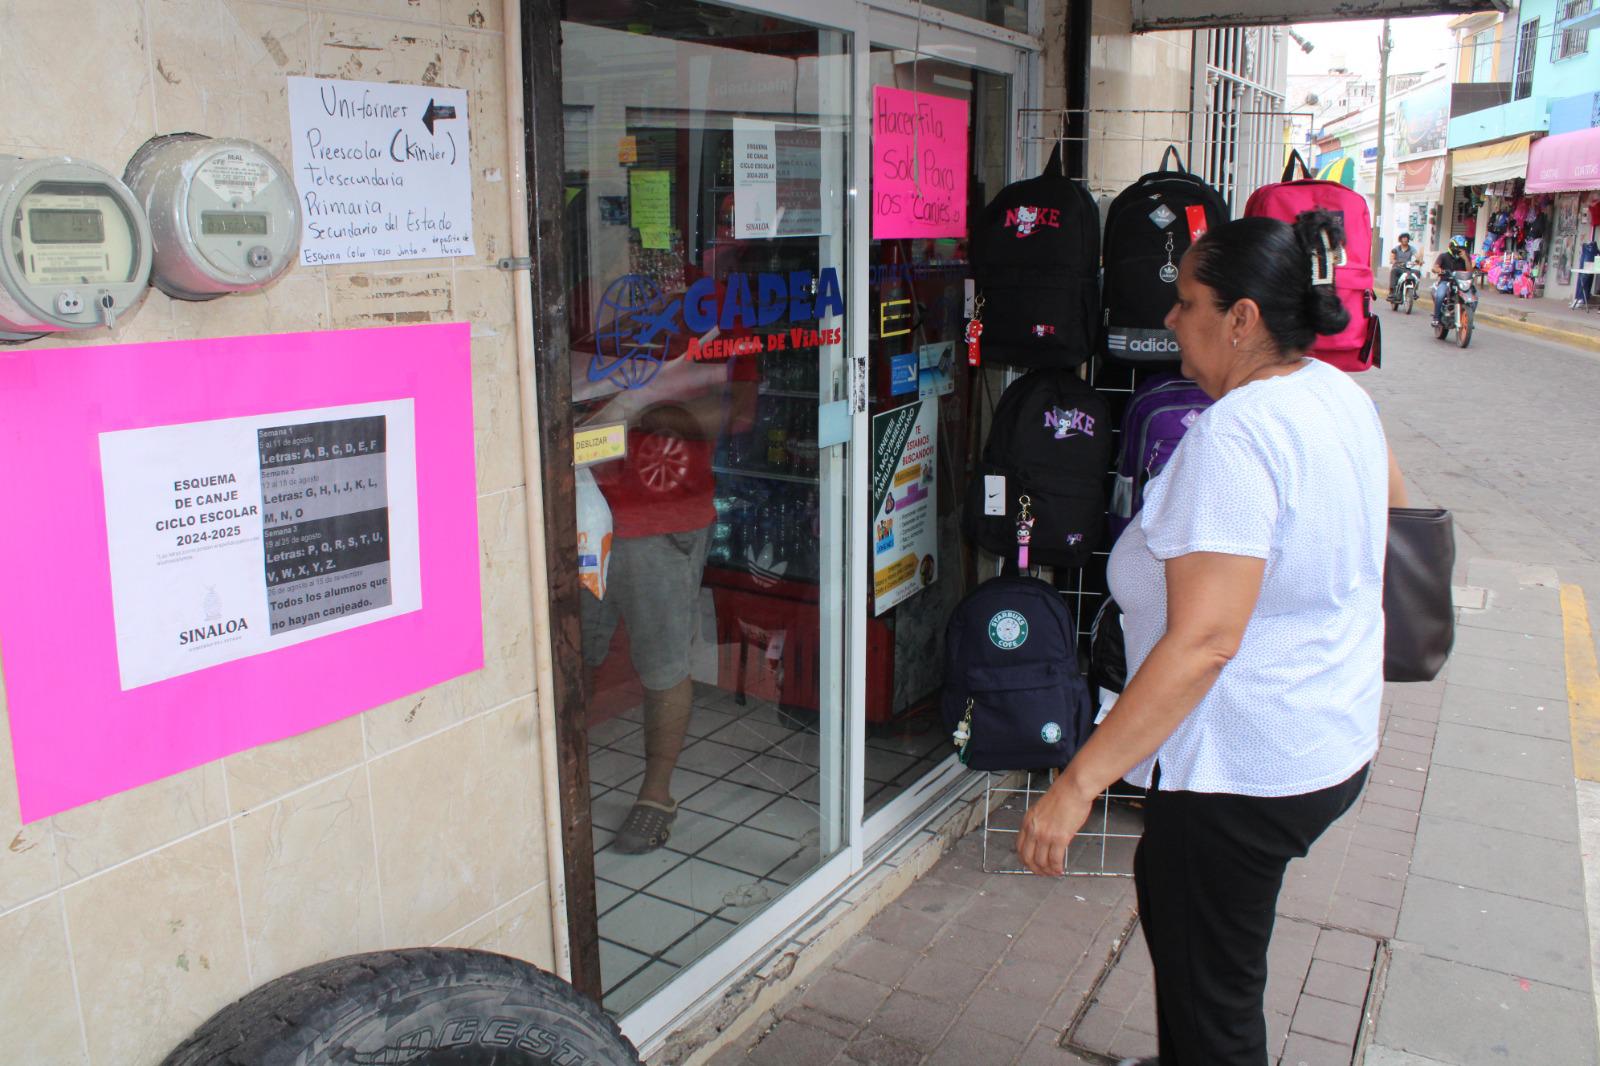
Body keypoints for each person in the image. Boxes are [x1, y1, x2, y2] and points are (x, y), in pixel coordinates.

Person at [1016, 210, 1406, 1066]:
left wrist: (1078, 784)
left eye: (1187, 300)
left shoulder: (1237, 436)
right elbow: (1400, 514)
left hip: (1246, 768)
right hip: (1326, 732)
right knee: (1210, 952)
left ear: (1242, 318)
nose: (1169, 319)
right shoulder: (1337, 392)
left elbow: (1205, 642)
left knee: (1212, 994)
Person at [1431, 234, 1470, 326]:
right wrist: (1439, 270)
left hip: (1461, 283)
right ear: (1451, 247)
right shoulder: (1443, 256)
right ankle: (1436, 318)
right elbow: (1435, 267)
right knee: (1440, 295)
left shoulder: (1465, 258)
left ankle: (1468, 319)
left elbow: (1470, 271)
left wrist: (1465, 259)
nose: (1460, 250)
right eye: (1458, 247)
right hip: (1446, 281)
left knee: (1474, 296)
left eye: (1462, 248)